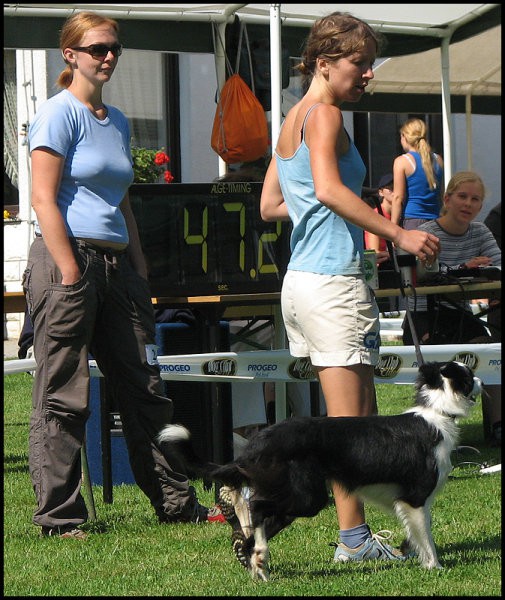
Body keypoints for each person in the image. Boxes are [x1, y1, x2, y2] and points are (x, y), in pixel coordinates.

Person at [24, 11, 223, 539]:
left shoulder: (118, 120)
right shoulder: (56, 114)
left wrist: (138, 267)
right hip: (69, 262)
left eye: (114, 48)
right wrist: (69, 268)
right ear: (70, 54)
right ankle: (61, 518)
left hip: (117, 267)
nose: (108, 56)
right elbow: (43, 197)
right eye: (97, 49)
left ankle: (177, 504)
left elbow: (122, 200)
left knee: (146, 390)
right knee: (65, 394)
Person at [260, 11, 440, 563]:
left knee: (352, 421)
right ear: (323, 62)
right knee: (349, 428)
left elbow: (270, 204)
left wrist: (332, 205)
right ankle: (353, 541)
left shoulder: (293, 117)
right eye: (359, 64)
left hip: (303, 283)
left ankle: (355, 537)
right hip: (332, 282)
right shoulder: (326, 116)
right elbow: (331, 190)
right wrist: (398, 233)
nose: (367, 76)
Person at [400, 172, 501, 445]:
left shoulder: (480, 231)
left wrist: (484, 273)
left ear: (481, 206)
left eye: (475, 199)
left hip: (459, 316)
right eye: (462, 196)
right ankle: (429, 430)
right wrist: (466, 268)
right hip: (423, 316)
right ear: (447, 199)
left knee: (491, 351)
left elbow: (497, 264)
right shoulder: (428, 233)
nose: (468, 204)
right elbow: (427, 273)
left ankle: (496, 425)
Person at [390, 118, 444, 229]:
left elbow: (398, 197)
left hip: (413, 220)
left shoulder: (402, 161)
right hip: (436, 219)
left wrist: (393, 227)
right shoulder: (438, 159)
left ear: (404, 137)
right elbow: (441, 193)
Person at [364, 173, 393, 252]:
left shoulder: (400, 215)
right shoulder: (376, 215)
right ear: (381, 192)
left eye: (397, 187)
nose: (394, 191)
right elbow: (374, 251)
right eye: (390, 188)